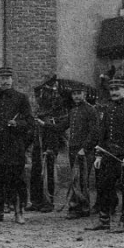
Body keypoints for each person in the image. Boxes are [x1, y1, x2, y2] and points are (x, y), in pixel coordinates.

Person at [85, 75, 124, 233]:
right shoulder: (107, 108)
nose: (114, 92)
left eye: (117, 89)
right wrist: (98, 155)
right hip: (108, 154)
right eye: (112, 89)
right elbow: (102, 133)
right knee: (103, 186)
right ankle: (104, 221)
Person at [0, 67, 33, 224]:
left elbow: (29, 122)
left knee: (17, 180)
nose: (5, 80)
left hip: (14, 146)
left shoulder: (21, 98)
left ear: (12, 79)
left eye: (8, 77)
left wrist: (16, 123)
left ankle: (19, 212)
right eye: (2, 78)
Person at [36, 82, 98, 218]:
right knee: (76, 178)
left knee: (82, 179)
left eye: (79, 94)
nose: (76, 96)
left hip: (84, 151)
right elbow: (61, 127)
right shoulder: (73, 111)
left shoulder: (91, 110)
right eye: (74, 94)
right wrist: (45, 124)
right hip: (73, 150)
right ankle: (79, 207)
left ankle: (81, 208)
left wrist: (85, 149)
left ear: (84, 94)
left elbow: (94, 133)